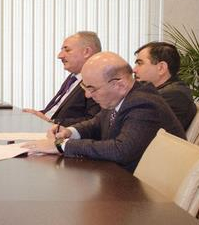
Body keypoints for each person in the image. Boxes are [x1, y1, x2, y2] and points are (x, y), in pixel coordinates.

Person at [23, 52, 185, 173]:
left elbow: (120, 150)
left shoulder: (143, 104)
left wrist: (61, 145)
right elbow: (97, 122)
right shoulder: (120, 97)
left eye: (92, 88)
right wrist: (70, 132)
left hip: (146, 193)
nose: (88, 95)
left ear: (120, 85)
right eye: (84, 87)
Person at [23, 31, 101, 126]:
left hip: (61, 131)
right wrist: (35, 115)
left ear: (86, 52)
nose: (60, 56)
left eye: (67, 50)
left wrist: (51, 122)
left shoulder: (99, 80)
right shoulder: (73, 78)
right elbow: (53, 111)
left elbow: (93, 121)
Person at [133, 41, 196, 130]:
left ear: (161, 68)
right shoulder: (157, 92)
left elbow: (139, 128)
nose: (134, 70)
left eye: (140, 63)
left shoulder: (175, 95)